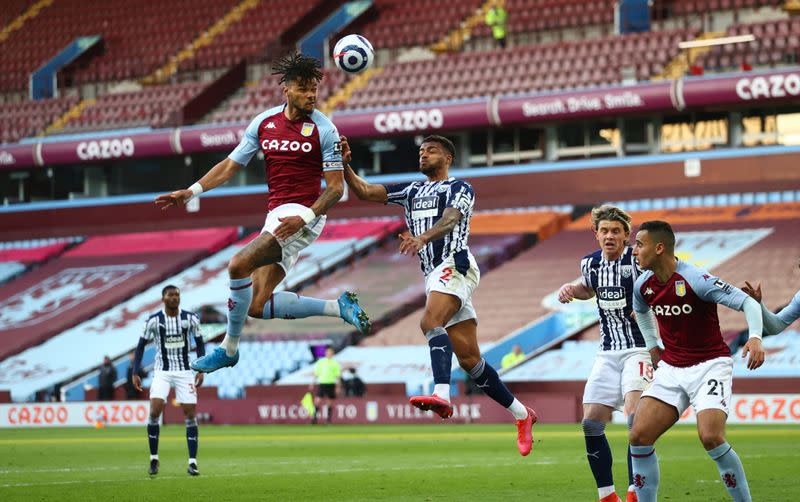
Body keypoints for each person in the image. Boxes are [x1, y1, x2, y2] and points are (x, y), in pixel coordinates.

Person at [154, 52, 371, 374]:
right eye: (303, 88)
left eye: (314, 89)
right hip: (277, 215)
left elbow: (336, 188)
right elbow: (231, 165)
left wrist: (307, 218)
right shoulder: (265, 123)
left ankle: (228, 348)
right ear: (287, 90)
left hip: (302, 215)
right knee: (257, 304)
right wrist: (192, 191)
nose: (311, 95)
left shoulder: (325, 130)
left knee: (238, 264)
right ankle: (338, 307)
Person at [340, 134, 537, 456]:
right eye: (421, 151)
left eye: (431, 150)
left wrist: (423, 237)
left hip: (455, 264)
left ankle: (442, 394)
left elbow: (451, 219)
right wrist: (346, 165)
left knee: (430, 322)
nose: (423, 155)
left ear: (447, 158)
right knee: (471, 361)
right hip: (435, 274)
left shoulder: (459, 188)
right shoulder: (411, 190)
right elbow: (364, 191)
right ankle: (521, 413)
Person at [629, 221, 765, 502]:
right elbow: (640, 311)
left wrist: (755, 338)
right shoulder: (643, 284)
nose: (634, 250)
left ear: (659, 247)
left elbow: (748, 303)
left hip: (710, 365)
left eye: (639, 244)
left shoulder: (697, 280)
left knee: (711, 437)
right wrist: (653, 346)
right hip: (671, 367)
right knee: (639, 437)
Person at [557, 205, 650, 502]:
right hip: (607, 351)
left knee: (635, 419)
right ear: (596, 235)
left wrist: (651, 311)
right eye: (604, 231)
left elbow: (659, 285)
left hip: (639, 349)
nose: (609, 236)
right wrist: (571, 289)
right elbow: (588, 288)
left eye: (616, 231)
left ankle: (636, 489)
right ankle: (607, 495)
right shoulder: (590, 264)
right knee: (591, 422)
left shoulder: (637, 261)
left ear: (627, 235)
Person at [133, 285, 205, 476]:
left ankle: (192, 463)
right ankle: (154, 459)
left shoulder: (190, 318)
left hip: (184, 371)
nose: (174, 298)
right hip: (162, 371)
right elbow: (140, 347)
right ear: (163, 298)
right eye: (170, 295)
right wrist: (135, 372)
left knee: (190, 415)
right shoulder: (153, 321)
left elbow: (199, 343)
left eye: (177, 295)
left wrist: (201, 368)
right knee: (155, 410)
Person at [311, 346, 340, 424]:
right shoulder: (321, 362)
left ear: (333, 353)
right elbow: (316, 373)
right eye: (328, 352)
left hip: (331, 384)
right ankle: (314, 418)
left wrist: (338, 386)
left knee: (329, 402)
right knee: (317, 401)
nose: (329, 353)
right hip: (322, 383)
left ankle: (328, 420)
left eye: (331, 352)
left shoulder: (335, 363)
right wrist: (312, 383)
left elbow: (337, 376)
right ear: (325, 353)